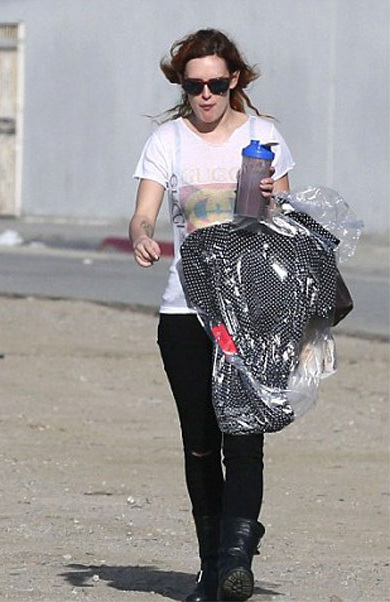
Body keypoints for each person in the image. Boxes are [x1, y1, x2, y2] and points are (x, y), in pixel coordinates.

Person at [129, 29, 294, 602]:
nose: (205, 95)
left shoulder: (263, 138)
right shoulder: (166, 141)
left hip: (254, 310)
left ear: (234, 81)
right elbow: (143, 213)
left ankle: (235, 562)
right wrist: (143, 236)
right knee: (200, 443)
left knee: (243, 439)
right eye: (194, 85)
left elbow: (287, 223)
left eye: (216, 85)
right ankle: (210, 565)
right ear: (182, 86)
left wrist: (273, 199)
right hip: (186, 311)